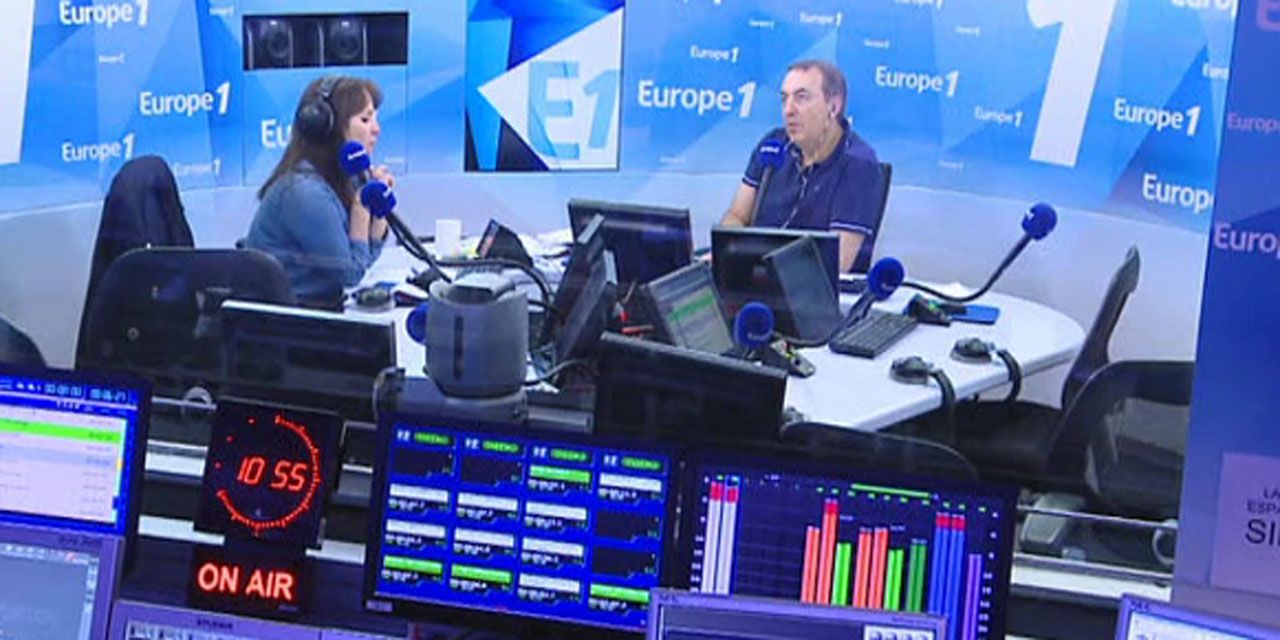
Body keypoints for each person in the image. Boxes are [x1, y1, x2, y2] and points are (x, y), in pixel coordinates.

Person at [721, 60, 883, 273]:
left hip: (811, 287)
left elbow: (837, 264)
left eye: (801, 97)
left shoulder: (858, 164)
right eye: (784, 99)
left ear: (833, 106)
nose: (788, 110)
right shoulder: (773, 144)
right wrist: (728, 252)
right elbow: (737, 215)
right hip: (752, 276)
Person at [246, 75, 393, 307]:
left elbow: (361, 261)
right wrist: (362, 208)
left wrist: (378, 211)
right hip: (288, 321)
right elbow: (350, 274)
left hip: (318, 309)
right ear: (326, 128)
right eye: (365, 120)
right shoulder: (303, 192)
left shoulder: (344, 179)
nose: (376, 130)